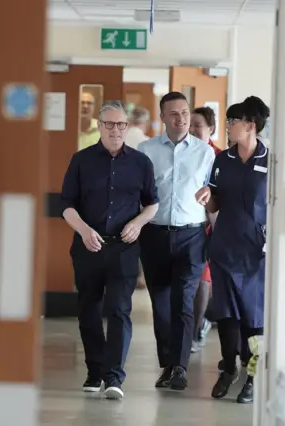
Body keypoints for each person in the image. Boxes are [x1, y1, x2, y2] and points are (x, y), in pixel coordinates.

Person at [60, 100, 159, 400]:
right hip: (88, 245)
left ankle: (114, 376)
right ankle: (95, 371)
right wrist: (84, 230)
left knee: (119, 309)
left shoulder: (141, 163)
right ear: (100, 127)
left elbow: (152, 203)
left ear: (127, 127)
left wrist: (139, 223)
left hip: (123, 248)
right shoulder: (81, 160)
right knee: (88, 310)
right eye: (109, 124)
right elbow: (66, 205)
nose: (116, 130)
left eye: (121, 125)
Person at [194, 96, 270, 404]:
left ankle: (251, 375)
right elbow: (215, 201)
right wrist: (206, 196)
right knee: (225, 312)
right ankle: (228, 370)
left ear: (250, 126)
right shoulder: (222, 159)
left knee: (253, 318)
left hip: (255, 252)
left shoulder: (269, 161)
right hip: (224, 246)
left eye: (233, 122)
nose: (228, 127)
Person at [137, 92, 215, 391]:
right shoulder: (146, 150)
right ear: (163, 117)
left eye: (184, 112)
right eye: (174, 114)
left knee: (183, 301)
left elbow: (214, 194)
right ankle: (168, 365)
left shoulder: (205, 152)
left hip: (191, 236)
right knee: (161, 304)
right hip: (155, 235)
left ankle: (180, 367)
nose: (181, 118)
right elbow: (140, 193)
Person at [189, 106, 222, 353]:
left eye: (197, 125)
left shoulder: (220, 157)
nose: (191, 129)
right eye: (190, 124)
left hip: (211, 227)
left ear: (211, 129)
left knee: (203, 281)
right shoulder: (185, 153)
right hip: (186, 225)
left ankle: (196, 329)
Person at [126, 106, 152, 290]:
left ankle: (125, 273)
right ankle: (141, 276)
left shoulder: (120, 138)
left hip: (120, 195)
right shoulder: (148, 143)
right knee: (141, 235)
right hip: (141, 195)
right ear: (145, 123)